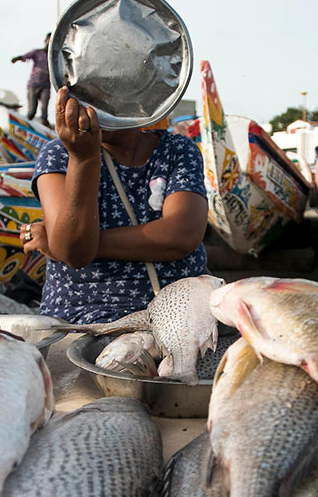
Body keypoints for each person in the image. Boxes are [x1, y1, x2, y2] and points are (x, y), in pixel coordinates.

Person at [22, 87, 209, 323]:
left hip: (181, 316)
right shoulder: (60, 155)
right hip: (84, 318)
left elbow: (181, 235)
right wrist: (83, 158)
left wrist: (64, 241)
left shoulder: (177, 150)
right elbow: (74, 253)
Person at [12, 33, 52, 128]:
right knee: (32, 111)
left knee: (44, 110)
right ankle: (24, 127)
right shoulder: (38, 52)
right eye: (49, 41)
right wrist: (18, 58)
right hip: (33, 85)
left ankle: (45, 126)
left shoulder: (54, 56)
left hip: (45, 86)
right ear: (46, 41)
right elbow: (26, 56)